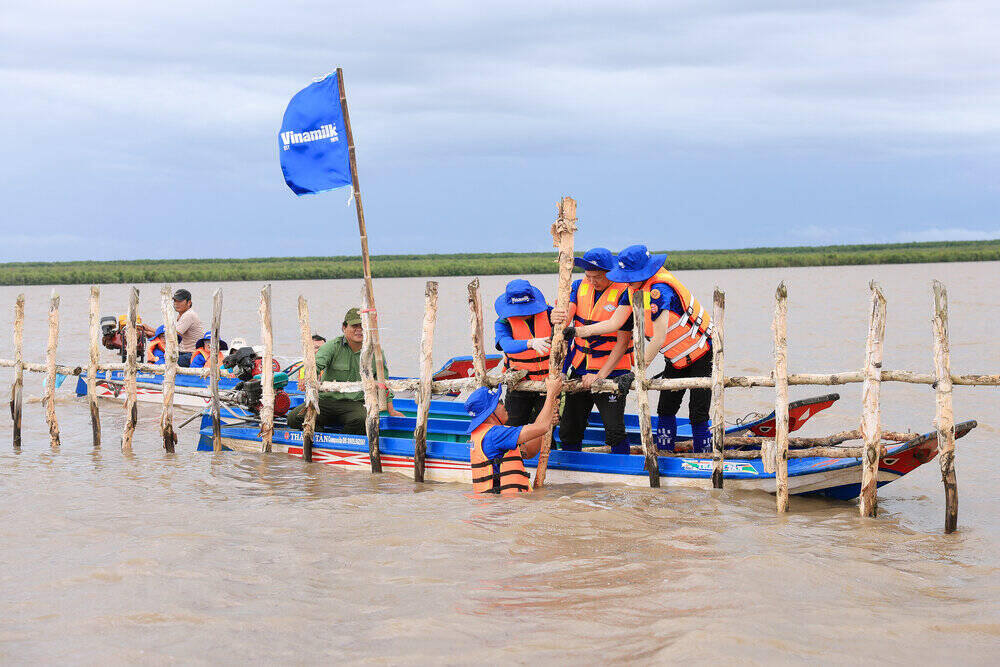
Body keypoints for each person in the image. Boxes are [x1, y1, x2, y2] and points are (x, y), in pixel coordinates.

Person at [563, 245, 714, 453]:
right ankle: (664, 455)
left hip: (701, 353)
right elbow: (615, 323)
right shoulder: (632, 289)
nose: (624, 280)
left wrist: (637, 372)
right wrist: (577, 332)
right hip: (674, 357)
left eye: (628, 276)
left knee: (698, 412)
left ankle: (703, 458)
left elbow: (658, 338)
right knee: (665, 408)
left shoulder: (660, 291)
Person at [550, 248, 633, 454]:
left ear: (610, 273)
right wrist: (556, 318)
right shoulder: (578, 287)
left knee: (614, 430)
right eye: (588, 276)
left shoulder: (625, 293)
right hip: (579, 368)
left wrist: (599, 376)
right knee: (569, 428)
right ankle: (570, 465)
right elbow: (565, 322)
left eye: (597, 277)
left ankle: (622, 469)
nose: (592, 281)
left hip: (611, 372)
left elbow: (622, 343)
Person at [285, 307, 404, 433]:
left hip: (355, 403)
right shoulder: (331, 346)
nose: (359, 330)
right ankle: (321, 437)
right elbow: (316, 365)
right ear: (344, 327)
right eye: (355, 326)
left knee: (364, 420)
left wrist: (391, 410)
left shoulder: (376, 352)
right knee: (294, 418)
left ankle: (342, 439)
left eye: (363, 326)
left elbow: (383, 382)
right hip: (326, 401)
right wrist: (307, 379)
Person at [465, 375, 562, 496]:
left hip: (496, 504)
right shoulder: (496, 435)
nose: (503, 404)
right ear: (490, 413)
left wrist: (546, 421)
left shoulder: (486, 433)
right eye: (499, 402)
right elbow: (541, 427)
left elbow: (529, 452)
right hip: (503, 506)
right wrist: (551, 393)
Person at [493, 279, 553, 427]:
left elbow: (567, 339)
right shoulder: (503, 321)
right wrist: (530, 343)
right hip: (519, 382)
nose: (521, 314)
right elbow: (506, 345)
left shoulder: (550, 313)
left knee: (546, 428)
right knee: (513, 425)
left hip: (548, 383)